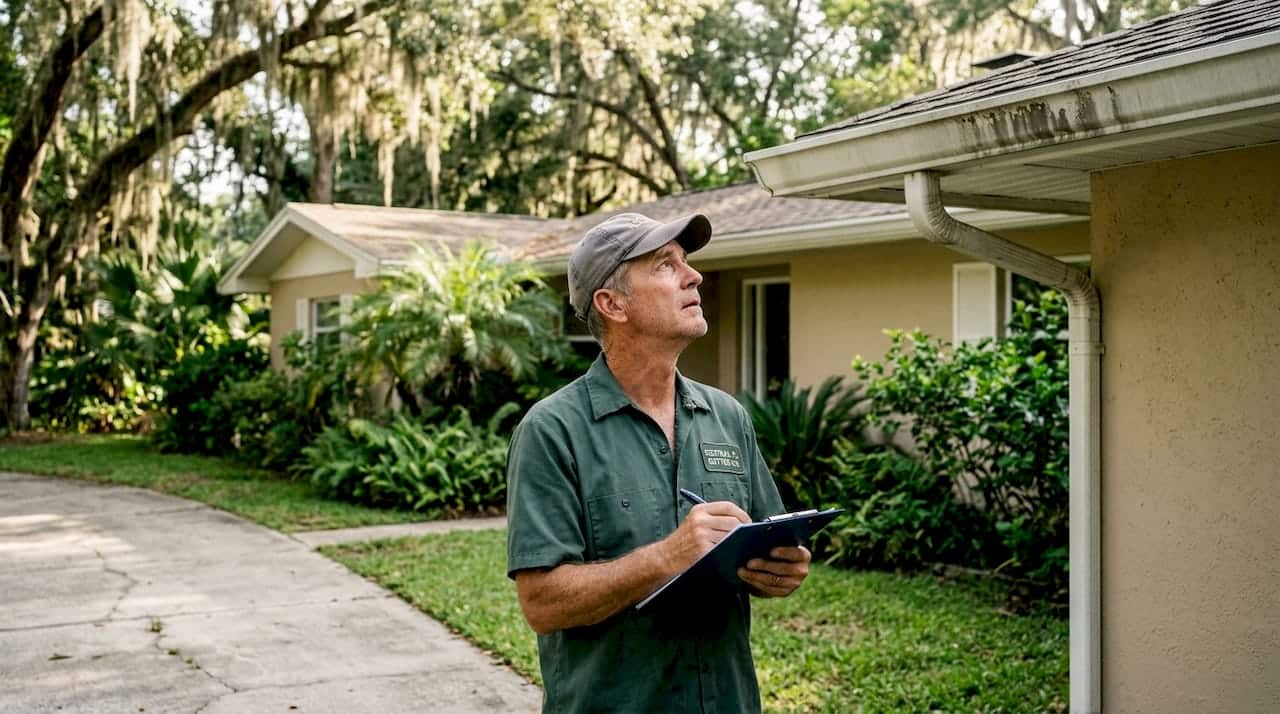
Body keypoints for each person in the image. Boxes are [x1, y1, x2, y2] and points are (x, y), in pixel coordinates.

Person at [505, 212, 812, 713]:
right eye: (666, 265)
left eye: (686, 261)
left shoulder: (727, 417)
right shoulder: (552, 431)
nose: (694, 276)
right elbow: (541, 603)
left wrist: (781, 568)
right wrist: (668, 557)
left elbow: (765, 537)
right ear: (612, 303)